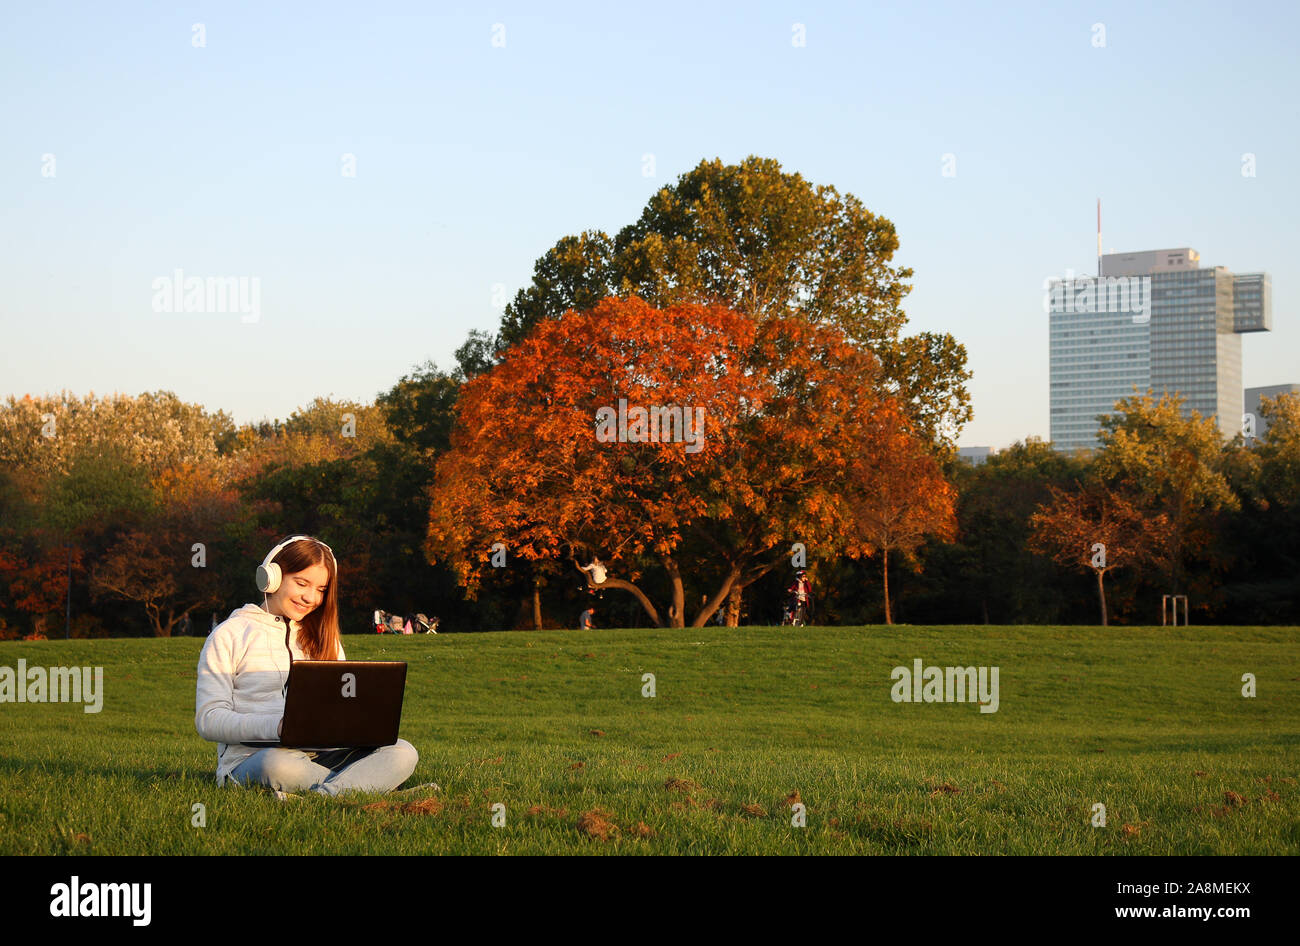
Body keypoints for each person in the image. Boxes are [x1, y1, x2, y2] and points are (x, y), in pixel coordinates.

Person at [195, 535, 420, 797]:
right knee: (277, 765)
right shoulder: (229, 634)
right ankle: (370, 788)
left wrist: (358, 725)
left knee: (403, 751)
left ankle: (325, 795)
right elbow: (209, 719)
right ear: (271, 577)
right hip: (257, 759)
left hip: (323, 755)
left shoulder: (326, 639)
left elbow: (341, 709)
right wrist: (279, 726)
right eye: (301, 583)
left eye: (321, 590)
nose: (310, 597)